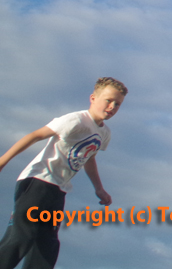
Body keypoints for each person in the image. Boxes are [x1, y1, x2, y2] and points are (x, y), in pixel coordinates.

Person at [0, 77, 128, 269]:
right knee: (22, 236)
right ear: (93, 98)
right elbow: (35, 135)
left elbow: (89, 158)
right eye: (108, 100)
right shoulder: (75, 120)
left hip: (58, 190)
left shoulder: (104, 133)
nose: (112, 107)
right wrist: (3, 160)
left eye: (117, 104)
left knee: (47, 244)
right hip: (38, 181)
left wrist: (99, 188)